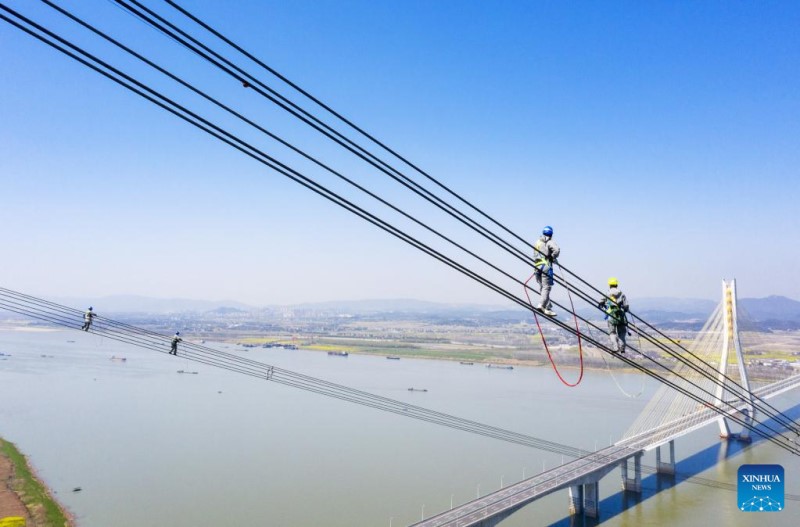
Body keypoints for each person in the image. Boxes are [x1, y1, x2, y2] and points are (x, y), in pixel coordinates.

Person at [533, 226, 560, 316]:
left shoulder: (537, 242)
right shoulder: (549, 241)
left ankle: (547, 307)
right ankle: (542, 305)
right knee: (546, 287)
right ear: (551, 234)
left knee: (542, 287)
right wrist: (552, 257)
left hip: (537, 267)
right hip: (545, 266)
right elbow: (557, 250)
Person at [597, 277, 629, 353]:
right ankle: (622, 348)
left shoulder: (607, 293)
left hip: (611, 317)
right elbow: (626, 307)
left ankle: (615, 347)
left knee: (612, 333)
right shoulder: (621, 294)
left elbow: (601, 302)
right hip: (620, 316)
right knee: (622, 333)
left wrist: (602, 304)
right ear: (616, 285)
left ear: (609, 285)